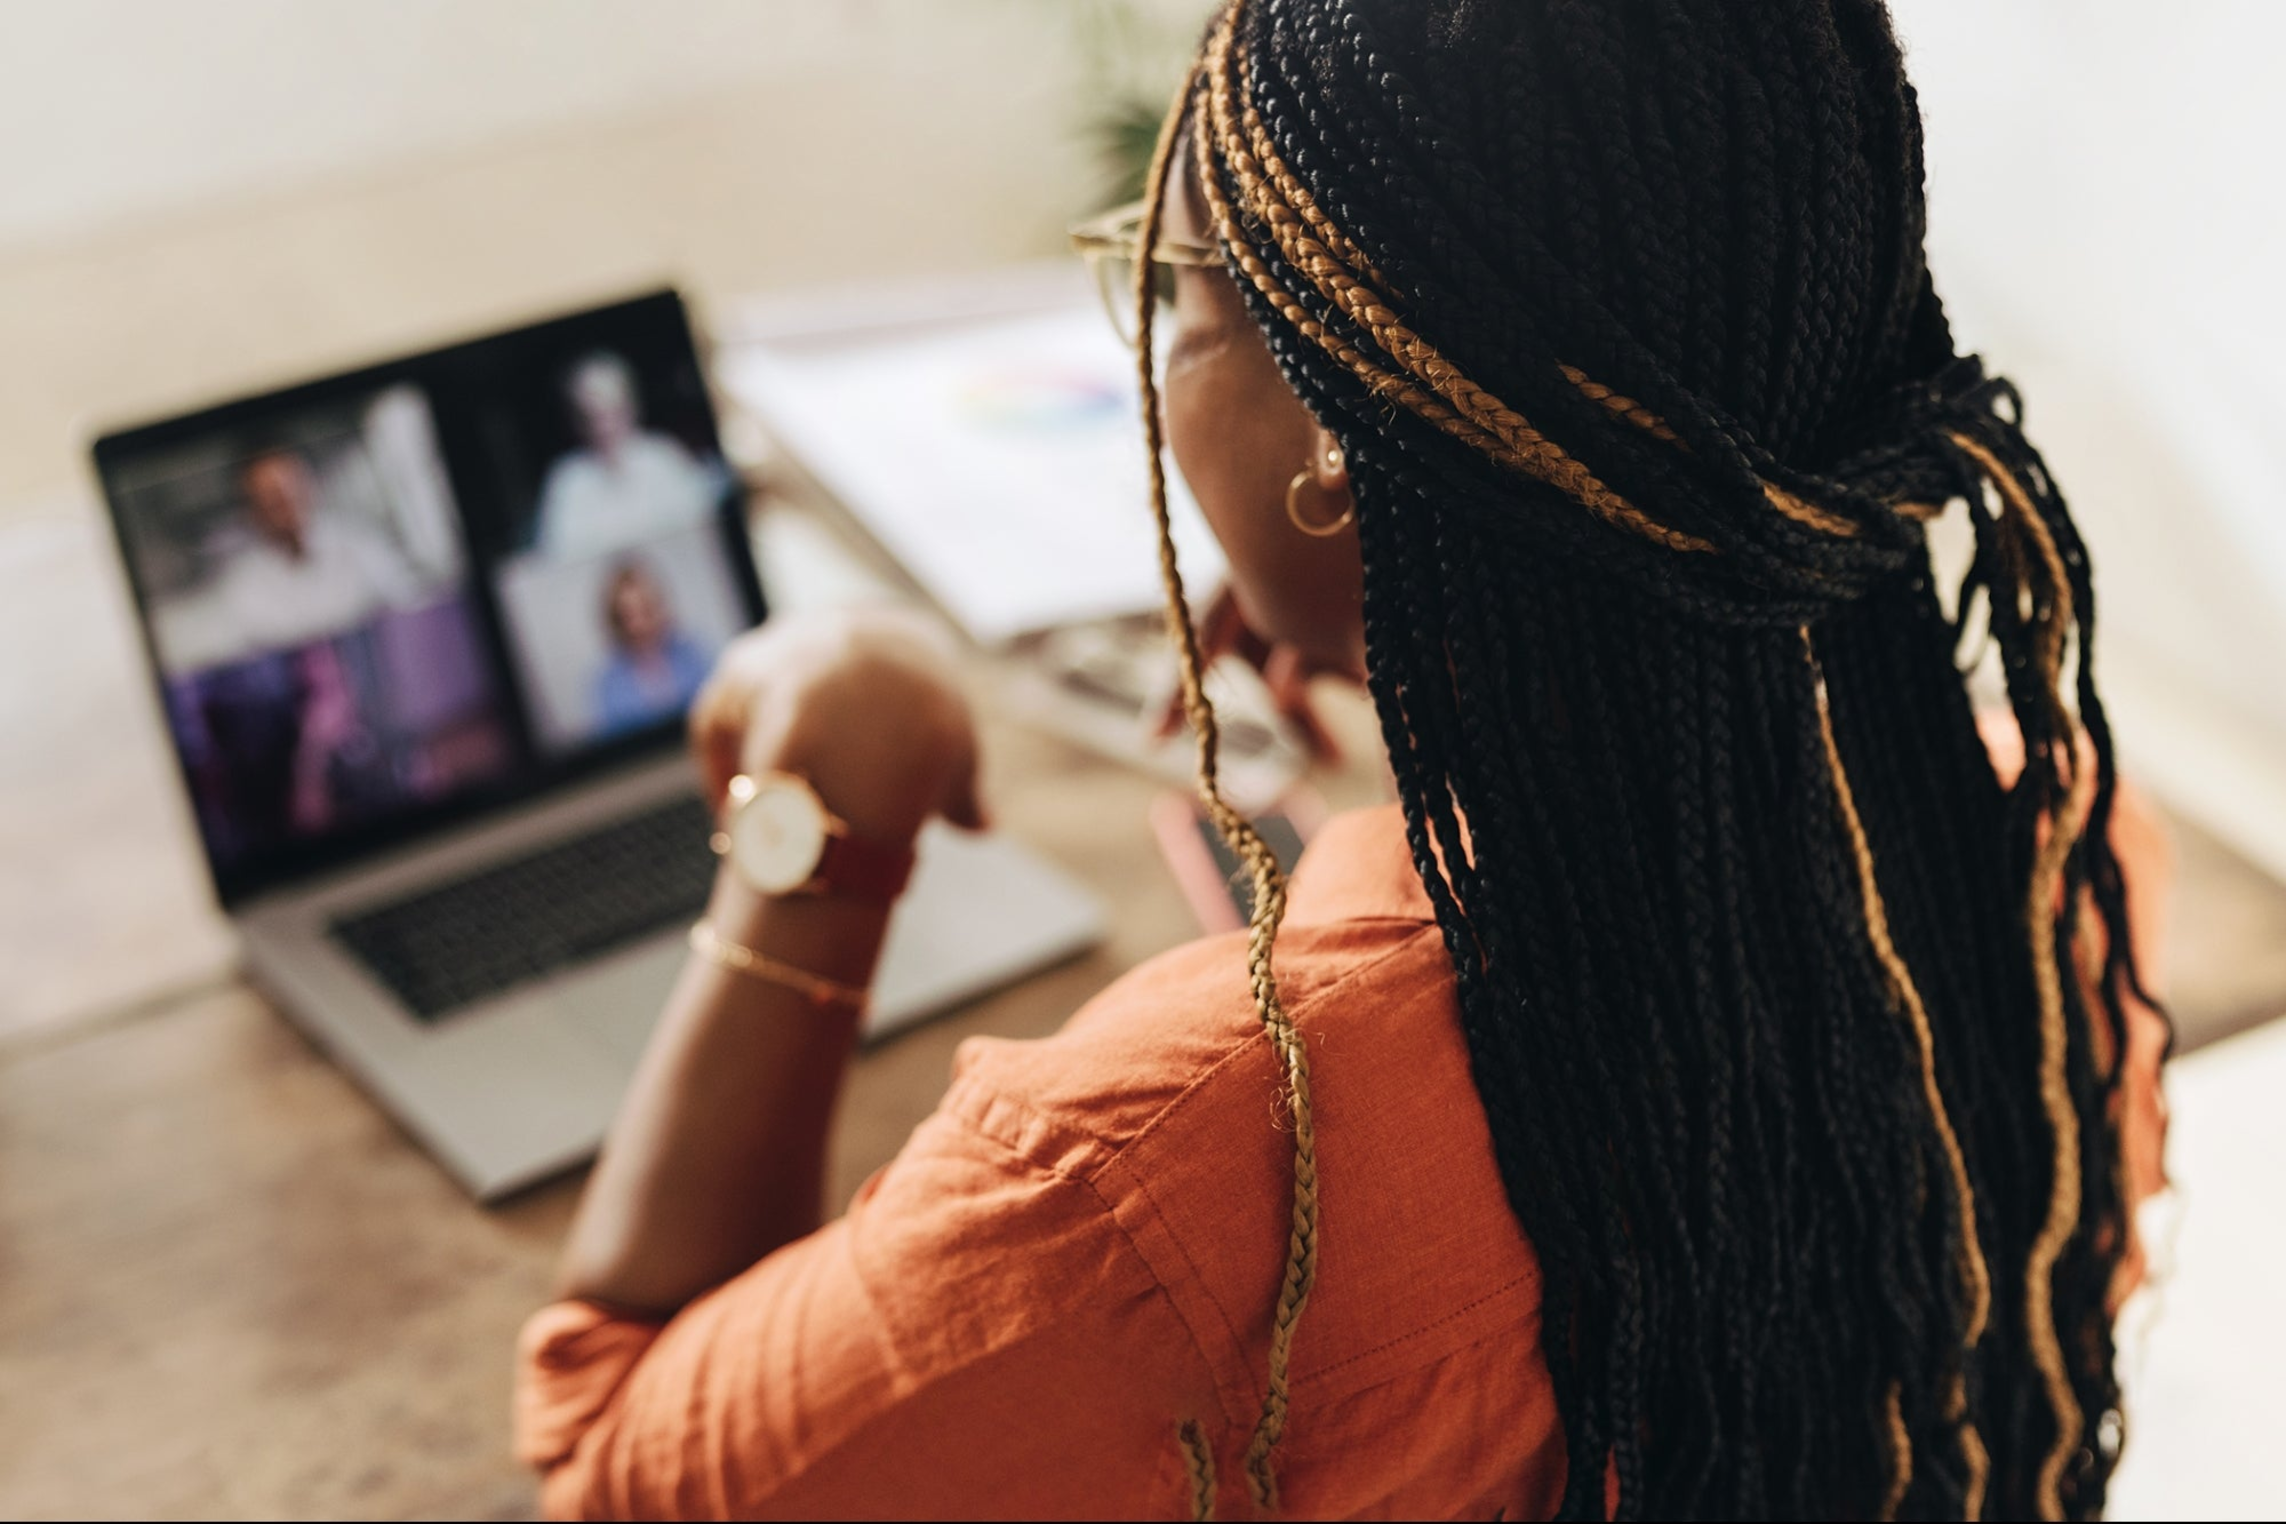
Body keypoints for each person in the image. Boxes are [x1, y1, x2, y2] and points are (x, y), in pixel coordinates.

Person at [513, 3, 2173, 1518]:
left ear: (1333, 428)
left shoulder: (1182, 1159)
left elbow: (613, 1457)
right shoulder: (2052, 846)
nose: (1157, 340)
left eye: (1173, 294)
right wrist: (1443, 652)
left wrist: (825, 811)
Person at [204, 446, 423, 660]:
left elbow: (407, 610)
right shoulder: (240, 584)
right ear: (252, 508)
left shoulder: (361, 544)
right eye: (270, 496)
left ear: (308, 483)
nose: (284, 501)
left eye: (289, 485)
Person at [532, 351, 720, 560]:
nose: (603, 427)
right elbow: (555, 557)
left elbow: (704, 531)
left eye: (612, 413)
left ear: (631, 407)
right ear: (575, 421)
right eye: (590, 417)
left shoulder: (664, 457)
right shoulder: (567, 481)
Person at [591, 558, 713, 738]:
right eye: (629, 616)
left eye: (646, 609)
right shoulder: (608, 684)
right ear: (617, 621)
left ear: (659, 606)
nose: (640, 624)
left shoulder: (694, 653)